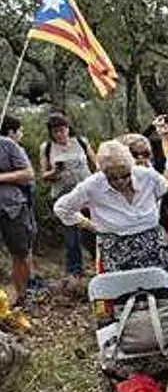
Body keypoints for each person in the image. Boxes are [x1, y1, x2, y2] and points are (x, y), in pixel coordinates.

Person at [53, 140, 168, 273]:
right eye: (112, 178)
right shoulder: (92, 185)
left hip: (153, 243)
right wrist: (87, 224)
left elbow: (166, 194)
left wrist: (167, 226)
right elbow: (62, 208)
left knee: (159, 282)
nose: (120, 181)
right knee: (119, 284)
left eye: (125, 175)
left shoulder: (148, 176)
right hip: (115, 247)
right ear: (104, 173)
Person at [39, 112, 96, 276]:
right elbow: (43, 175)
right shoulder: (47, 148)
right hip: (64, 195)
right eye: (55, 131)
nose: (60, 134)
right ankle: (75, 271)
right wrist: (55, 171)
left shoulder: (81, 142)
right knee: (72, 235)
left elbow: (95, 164)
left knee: (92, 230)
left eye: (62, 130)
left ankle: (100, 262)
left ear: (68, 128)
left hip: (86, 192)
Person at [0, 116, 36, 305]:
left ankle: (22, 298)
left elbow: (28, 173)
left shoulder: (7, 145)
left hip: (11, 207)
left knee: (20, 253)